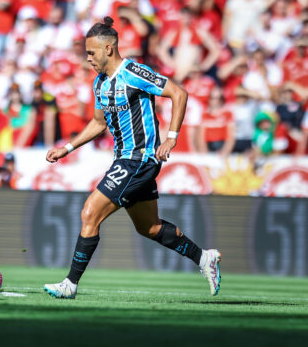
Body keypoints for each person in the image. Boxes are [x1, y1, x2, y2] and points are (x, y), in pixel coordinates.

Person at [43, 17, 222, 299]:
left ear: (109, 49)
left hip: (138, 159)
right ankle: (204, 258)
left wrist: (172, 137)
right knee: (149, 227)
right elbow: (98, 123)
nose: (87, 58)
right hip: (125, 159)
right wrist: (66, 148)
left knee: (90, 212)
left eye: (91, 53)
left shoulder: (134, 72)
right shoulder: (100, 83)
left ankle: (70, 284)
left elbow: (178, 93)